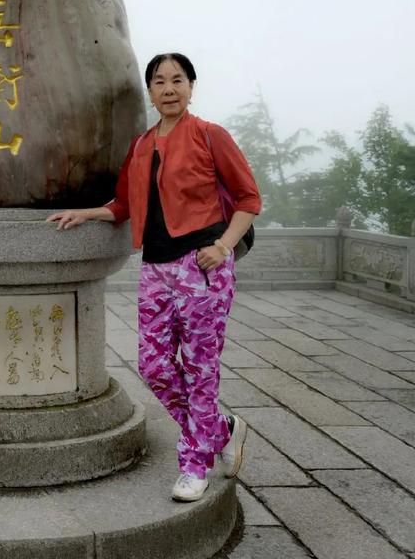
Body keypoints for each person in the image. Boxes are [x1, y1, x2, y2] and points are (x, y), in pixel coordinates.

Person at [47, 52, 261, 503]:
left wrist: (222, 247)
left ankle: (194, 462)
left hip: (202, 266)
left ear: (191, 86)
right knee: (154, 366)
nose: (168, 89)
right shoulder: (141, 146)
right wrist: (85, 213)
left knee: (201, 370)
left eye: (177, 80)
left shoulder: (209, 135)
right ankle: (221, 430)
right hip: (156, 269)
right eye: (159, 82)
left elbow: (247, 199)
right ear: (149, 91)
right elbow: (123, 205)